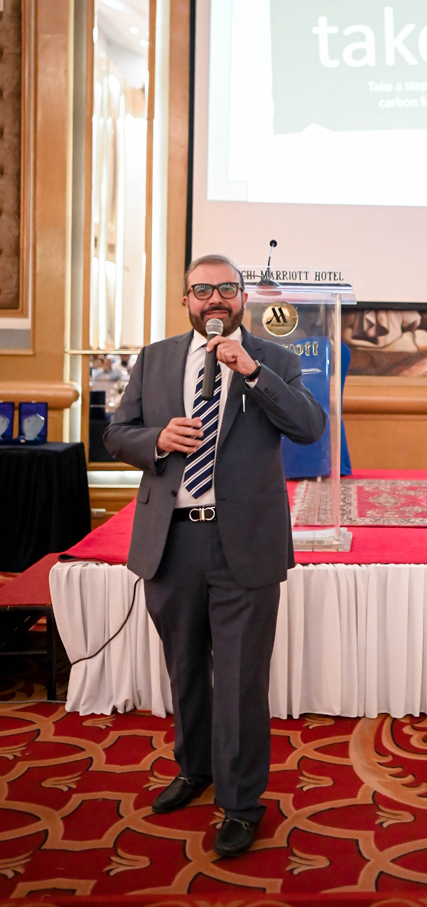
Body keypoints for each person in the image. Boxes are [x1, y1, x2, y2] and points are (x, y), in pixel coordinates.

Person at [104, 254, 326, 857]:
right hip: (172, 542)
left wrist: (251, 370)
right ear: (186, 301)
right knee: (185, 669)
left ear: (243, 298)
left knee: (240, 678)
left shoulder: (274, 359)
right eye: (202, 290)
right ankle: (195, 769)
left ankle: (241, 802)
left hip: (243, 544)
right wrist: (155, 439)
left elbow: (309, 427)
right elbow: (116, 432)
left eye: (227, 288)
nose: (215, 299)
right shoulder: (155, 359)